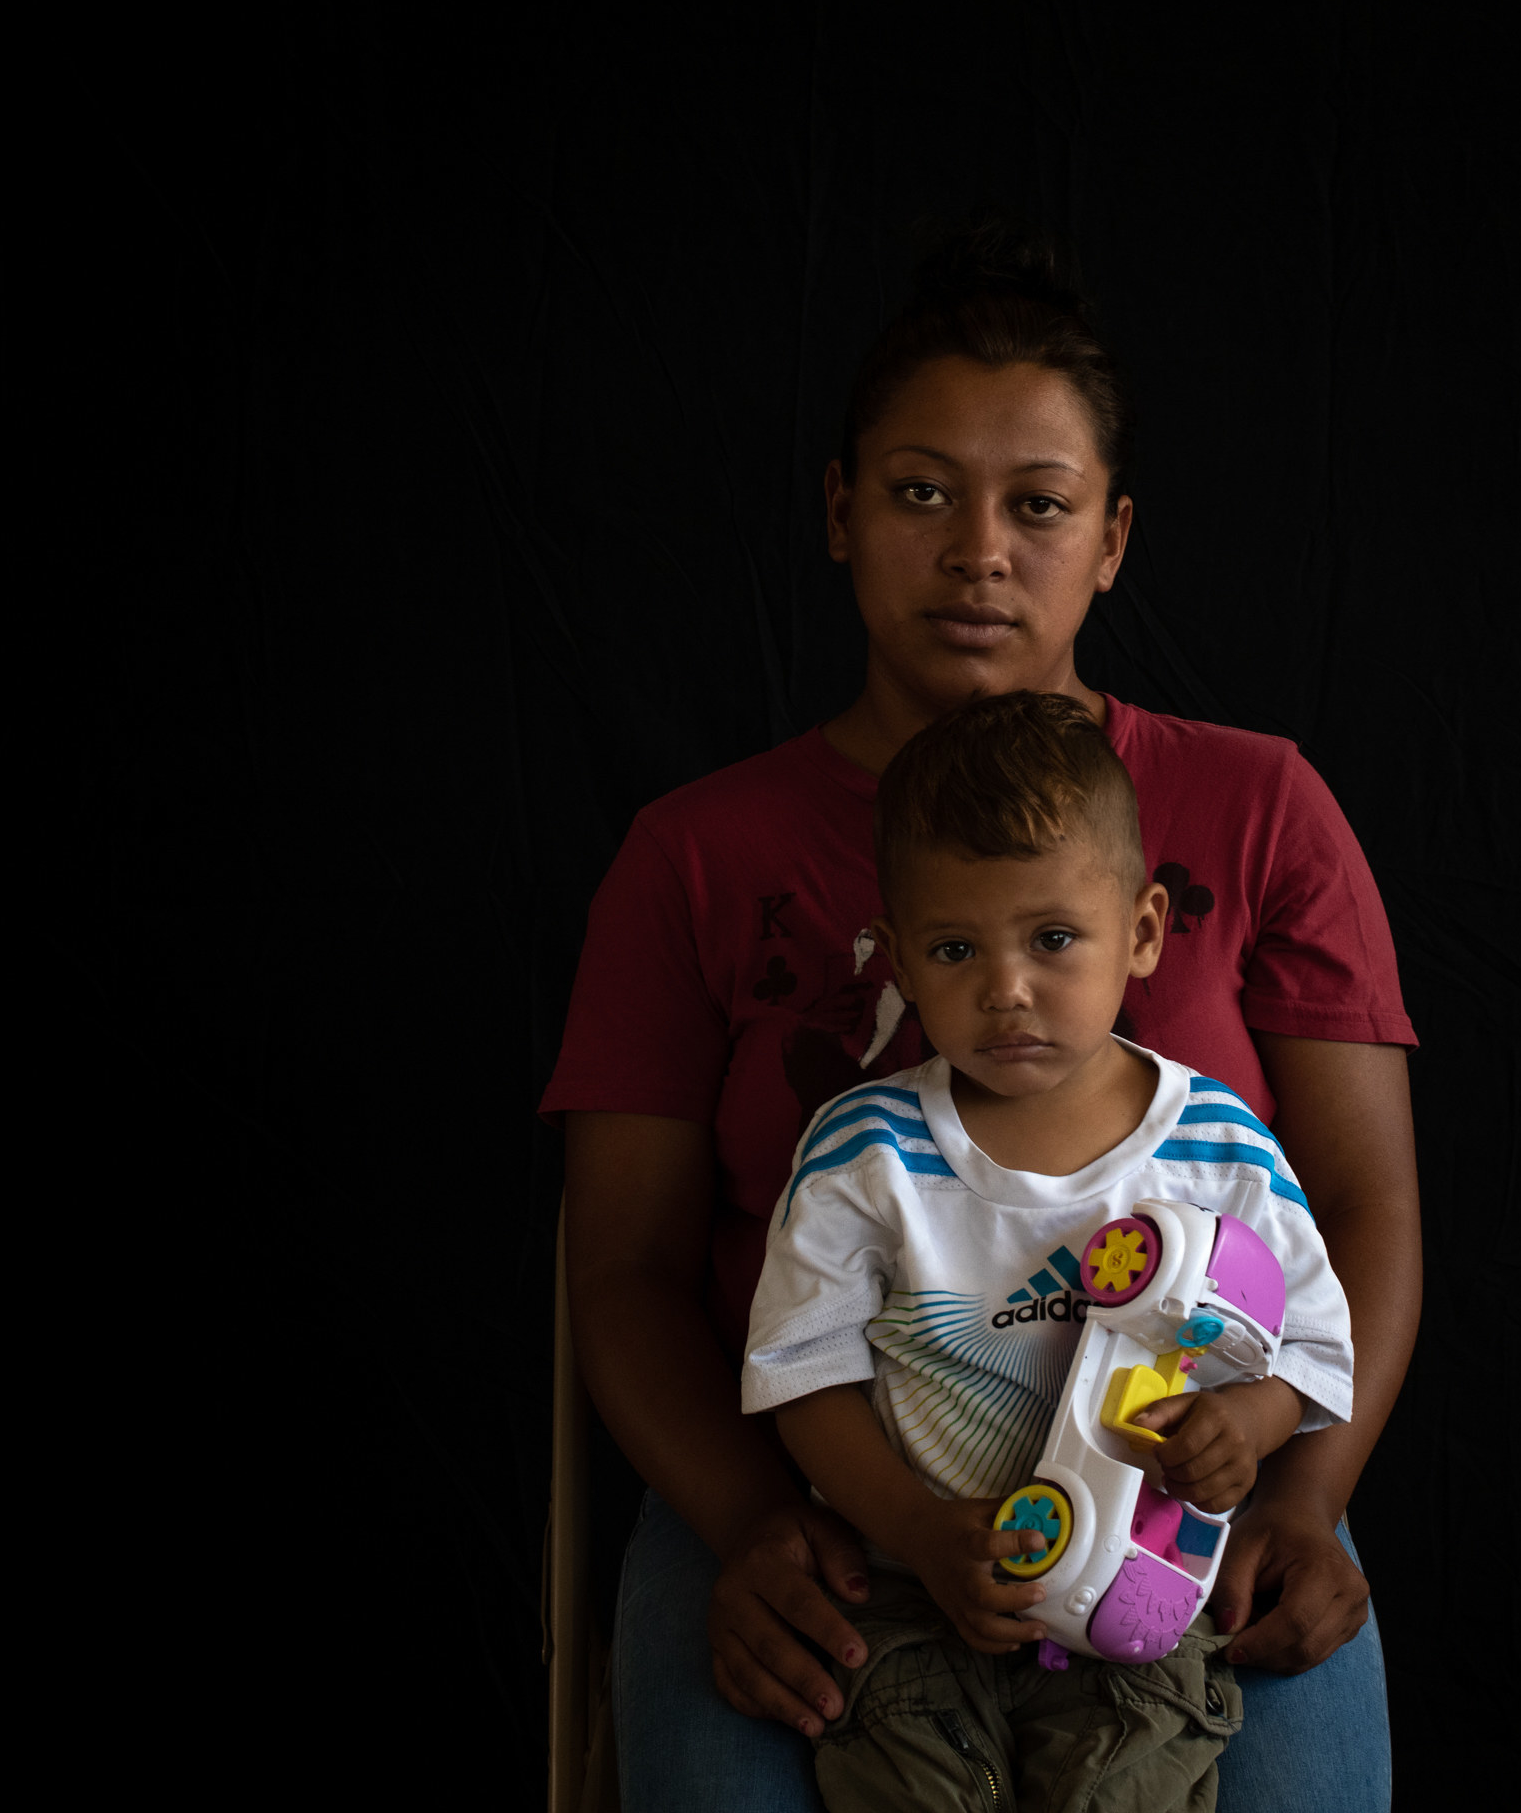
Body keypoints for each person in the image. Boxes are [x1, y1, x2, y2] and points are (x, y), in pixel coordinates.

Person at [547, 218, 1420, 1813]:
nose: (977, 553)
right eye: (920, 492)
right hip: (805, 1478)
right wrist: (754, 1521)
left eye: (1039, 505)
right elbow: (618, 1267)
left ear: (1114, 537)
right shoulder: (696, 855)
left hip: (1188, 1475)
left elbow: (1359, 1212)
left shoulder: (1259, 807)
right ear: (839, 511)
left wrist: (1309, 1490)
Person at [746, 691, 1354, 1811]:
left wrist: (1249, 1426)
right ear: (900, 959)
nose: (1005, 986)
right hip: (919, 1596)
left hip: (1141, 1603)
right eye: (955, 947)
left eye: (1054, 937)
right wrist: (920, 1533)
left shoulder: (1219, 1147)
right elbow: (805, 1377)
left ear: (1143, 928)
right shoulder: (861, 1151)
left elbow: (1314, 1343)